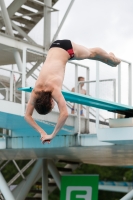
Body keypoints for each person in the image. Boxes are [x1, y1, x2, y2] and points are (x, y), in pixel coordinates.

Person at [24, 39, 121, 144]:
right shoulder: (35, 92)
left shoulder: (54, 90)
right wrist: (41, 132)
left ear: (51, 102)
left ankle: (111, 58)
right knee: (92, 56)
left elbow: (64, 114)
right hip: (54, 47)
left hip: (68, 49)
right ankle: (109, 60)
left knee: (92, 53)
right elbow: (27, 116)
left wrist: (52, 135)